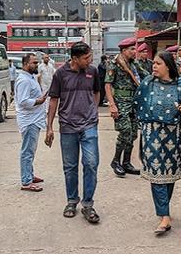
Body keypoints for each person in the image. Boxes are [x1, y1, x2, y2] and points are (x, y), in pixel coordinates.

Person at [134, 51, 181, 235]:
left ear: (168, 66)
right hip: (152, 134)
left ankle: (164, 211)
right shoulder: (147, 83)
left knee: (169, 175)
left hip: (173, 135)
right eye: (154, 63)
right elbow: (138, 104)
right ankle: (164, 216)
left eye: (158, 63)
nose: (154, 66)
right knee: (157, 174)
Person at [45, 42, 101, 224]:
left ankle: (88, 204)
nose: (90, 60)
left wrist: (93, 111)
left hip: (89, 125)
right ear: (74, 59)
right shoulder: (60, 74)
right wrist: (49, 127)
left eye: (90, 56)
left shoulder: (93, 71)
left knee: (91, 164)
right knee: (70, 167)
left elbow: (96, 93)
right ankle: (71, 201)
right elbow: (53, 100)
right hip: (68, 127)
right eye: (86, 58)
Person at [105, 37, 141, 177]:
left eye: (135, 49)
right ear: (124, 50)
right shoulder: (113, 63)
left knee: (133, 134)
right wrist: (112, 105)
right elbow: (107, 85)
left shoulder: (133, 64)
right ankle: (115, 161)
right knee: (125, 131)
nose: (134, 52)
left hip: (133, 102)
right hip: (121, 102)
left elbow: (143, 76)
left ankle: (126, 162)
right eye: (132, 49)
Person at [15, 53, 48, 192]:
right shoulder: (24, 80)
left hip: (33, 119)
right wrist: (38, 101)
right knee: (27, 151)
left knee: (30, 150)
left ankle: (29, 174)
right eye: (34, 63)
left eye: (37, 62)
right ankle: (26, 181)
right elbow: (23, 101)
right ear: (25, 64)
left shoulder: (30, 78)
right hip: (29, 121)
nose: (36, 65)